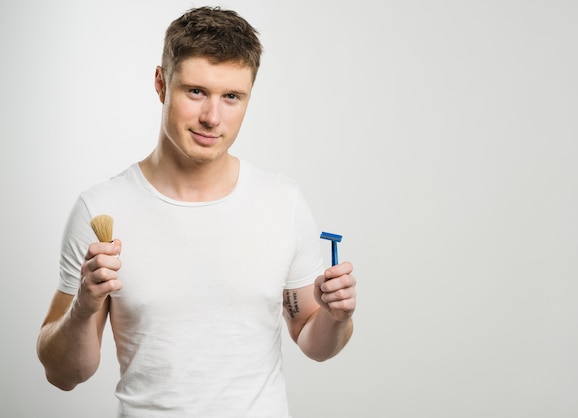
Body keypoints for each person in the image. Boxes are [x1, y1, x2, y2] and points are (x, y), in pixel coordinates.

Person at [36, 6, 356, 417]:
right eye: (196, 91)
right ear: (160, 83)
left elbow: (313, 341)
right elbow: (63, 375)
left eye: (232, 97)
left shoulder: (283, 202)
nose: (212, 118)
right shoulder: (101, 209)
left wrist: (337, 317)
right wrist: (84, 305)